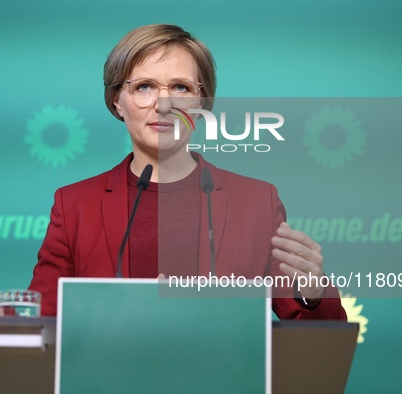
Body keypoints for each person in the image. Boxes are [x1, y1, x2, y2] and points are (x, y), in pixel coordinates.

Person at [28, 24, 346, 321]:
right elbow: (38, 325)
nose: (164, 104)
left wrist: (313, 294)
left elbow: (320, 331)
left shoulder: (256, 202)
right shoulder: (75, 205)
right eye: (144, 87)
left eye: (180, 87)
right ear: (117, 102)